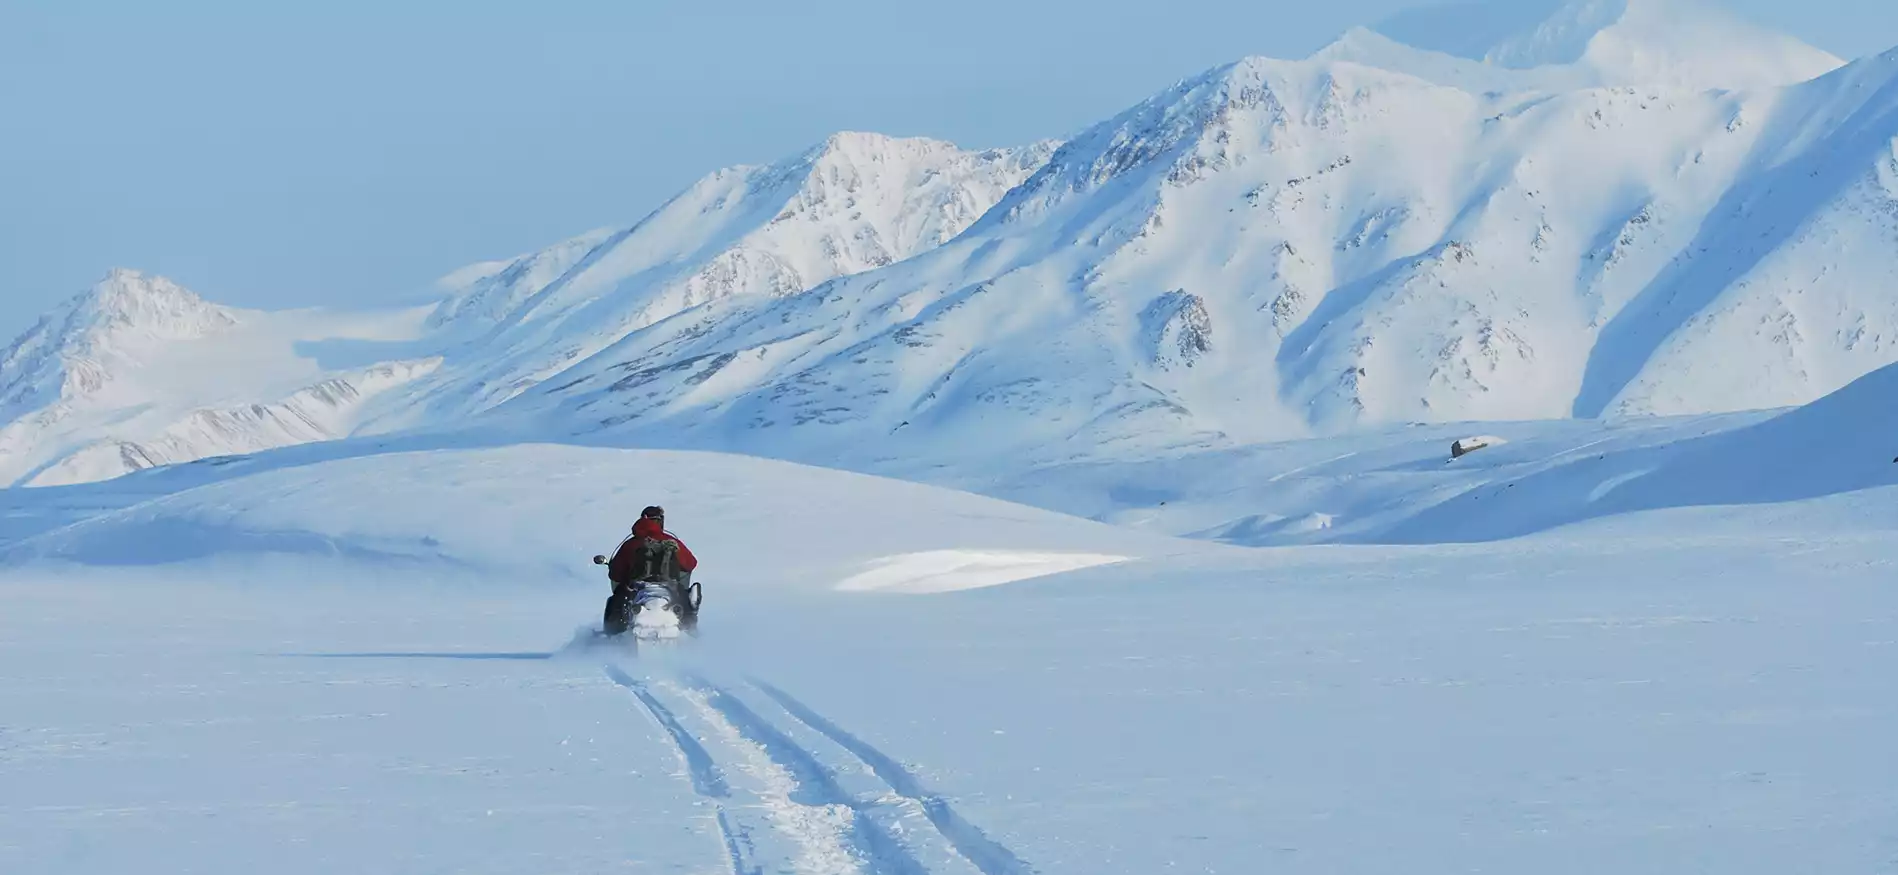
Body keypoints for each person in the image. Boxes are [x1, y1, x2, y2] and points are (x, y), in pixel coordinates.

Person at [603, 506, 699, 634]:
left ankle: (611, 637)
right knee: (685, 605)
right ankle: (689, 631)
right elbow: (691, 563)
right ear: (660, 521)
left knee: (614, 603)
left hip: (636, 588)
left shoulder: (630, 544)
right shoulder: (671, 541)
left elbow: (616, 573)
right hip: (669, 588)